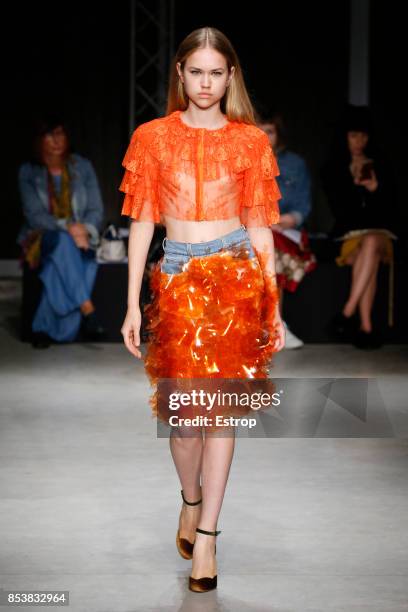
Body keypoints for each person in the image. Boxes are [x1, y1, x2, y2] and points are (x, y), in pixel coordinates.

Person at [119, 27, 285, 593]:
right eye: (197, 72)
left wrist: (273, 307)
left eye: (217, 72)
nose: (206, 82)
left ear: (230, 77)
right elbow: (142, 220)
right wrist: (131, 305)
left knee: (221, 417)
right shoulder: (152, 137)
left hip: (236, 276)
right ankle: (190, 501)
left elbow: (262, 229)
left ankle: (208, 537)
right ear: (181, 75)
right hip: (176, 280)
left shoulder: (250, 143)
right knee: (185, 423)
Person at [17, 116, 105, 347]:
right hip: (41, 237)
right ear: (39, 139)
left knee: (69, 260)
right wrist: (68, 228)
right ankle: (87, 307)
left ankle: (45, 328)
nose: (56, 140)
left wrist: (84, 229)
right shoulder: (28, 171)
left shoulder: (82, 167)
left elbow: (96, 209)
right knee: (63, 242)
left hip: (79, 237)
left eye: (60, 134)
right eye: (49, 135)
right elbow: (34, 215)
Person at [321, 105, 397, 349]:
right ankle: (366, 328)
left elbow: (390, 209)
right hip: (349, 235)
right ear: (344, 136)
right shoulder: (333, 167)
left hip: (380, 233)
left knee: (372, 242)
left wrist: (375, 189)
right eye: (354, 135)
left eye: (363, 136)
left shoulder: (380, 165)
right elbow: (339, 211)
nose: (359, 141)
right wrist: (353, 187)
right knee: (369, 255)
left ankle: (346, 312)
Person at [258, 113, 316, 349]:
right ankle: (269, 324)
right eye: (259, 131)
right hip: (254, 228)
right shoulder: (244, 161)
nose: (264, 137)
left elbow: (303, 206)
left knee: (273, 249)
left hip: (285, 231)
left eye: (269, 131)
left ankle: (274, 324)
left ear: (278, 134)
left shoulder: (295, 164)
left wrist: (284, 220)